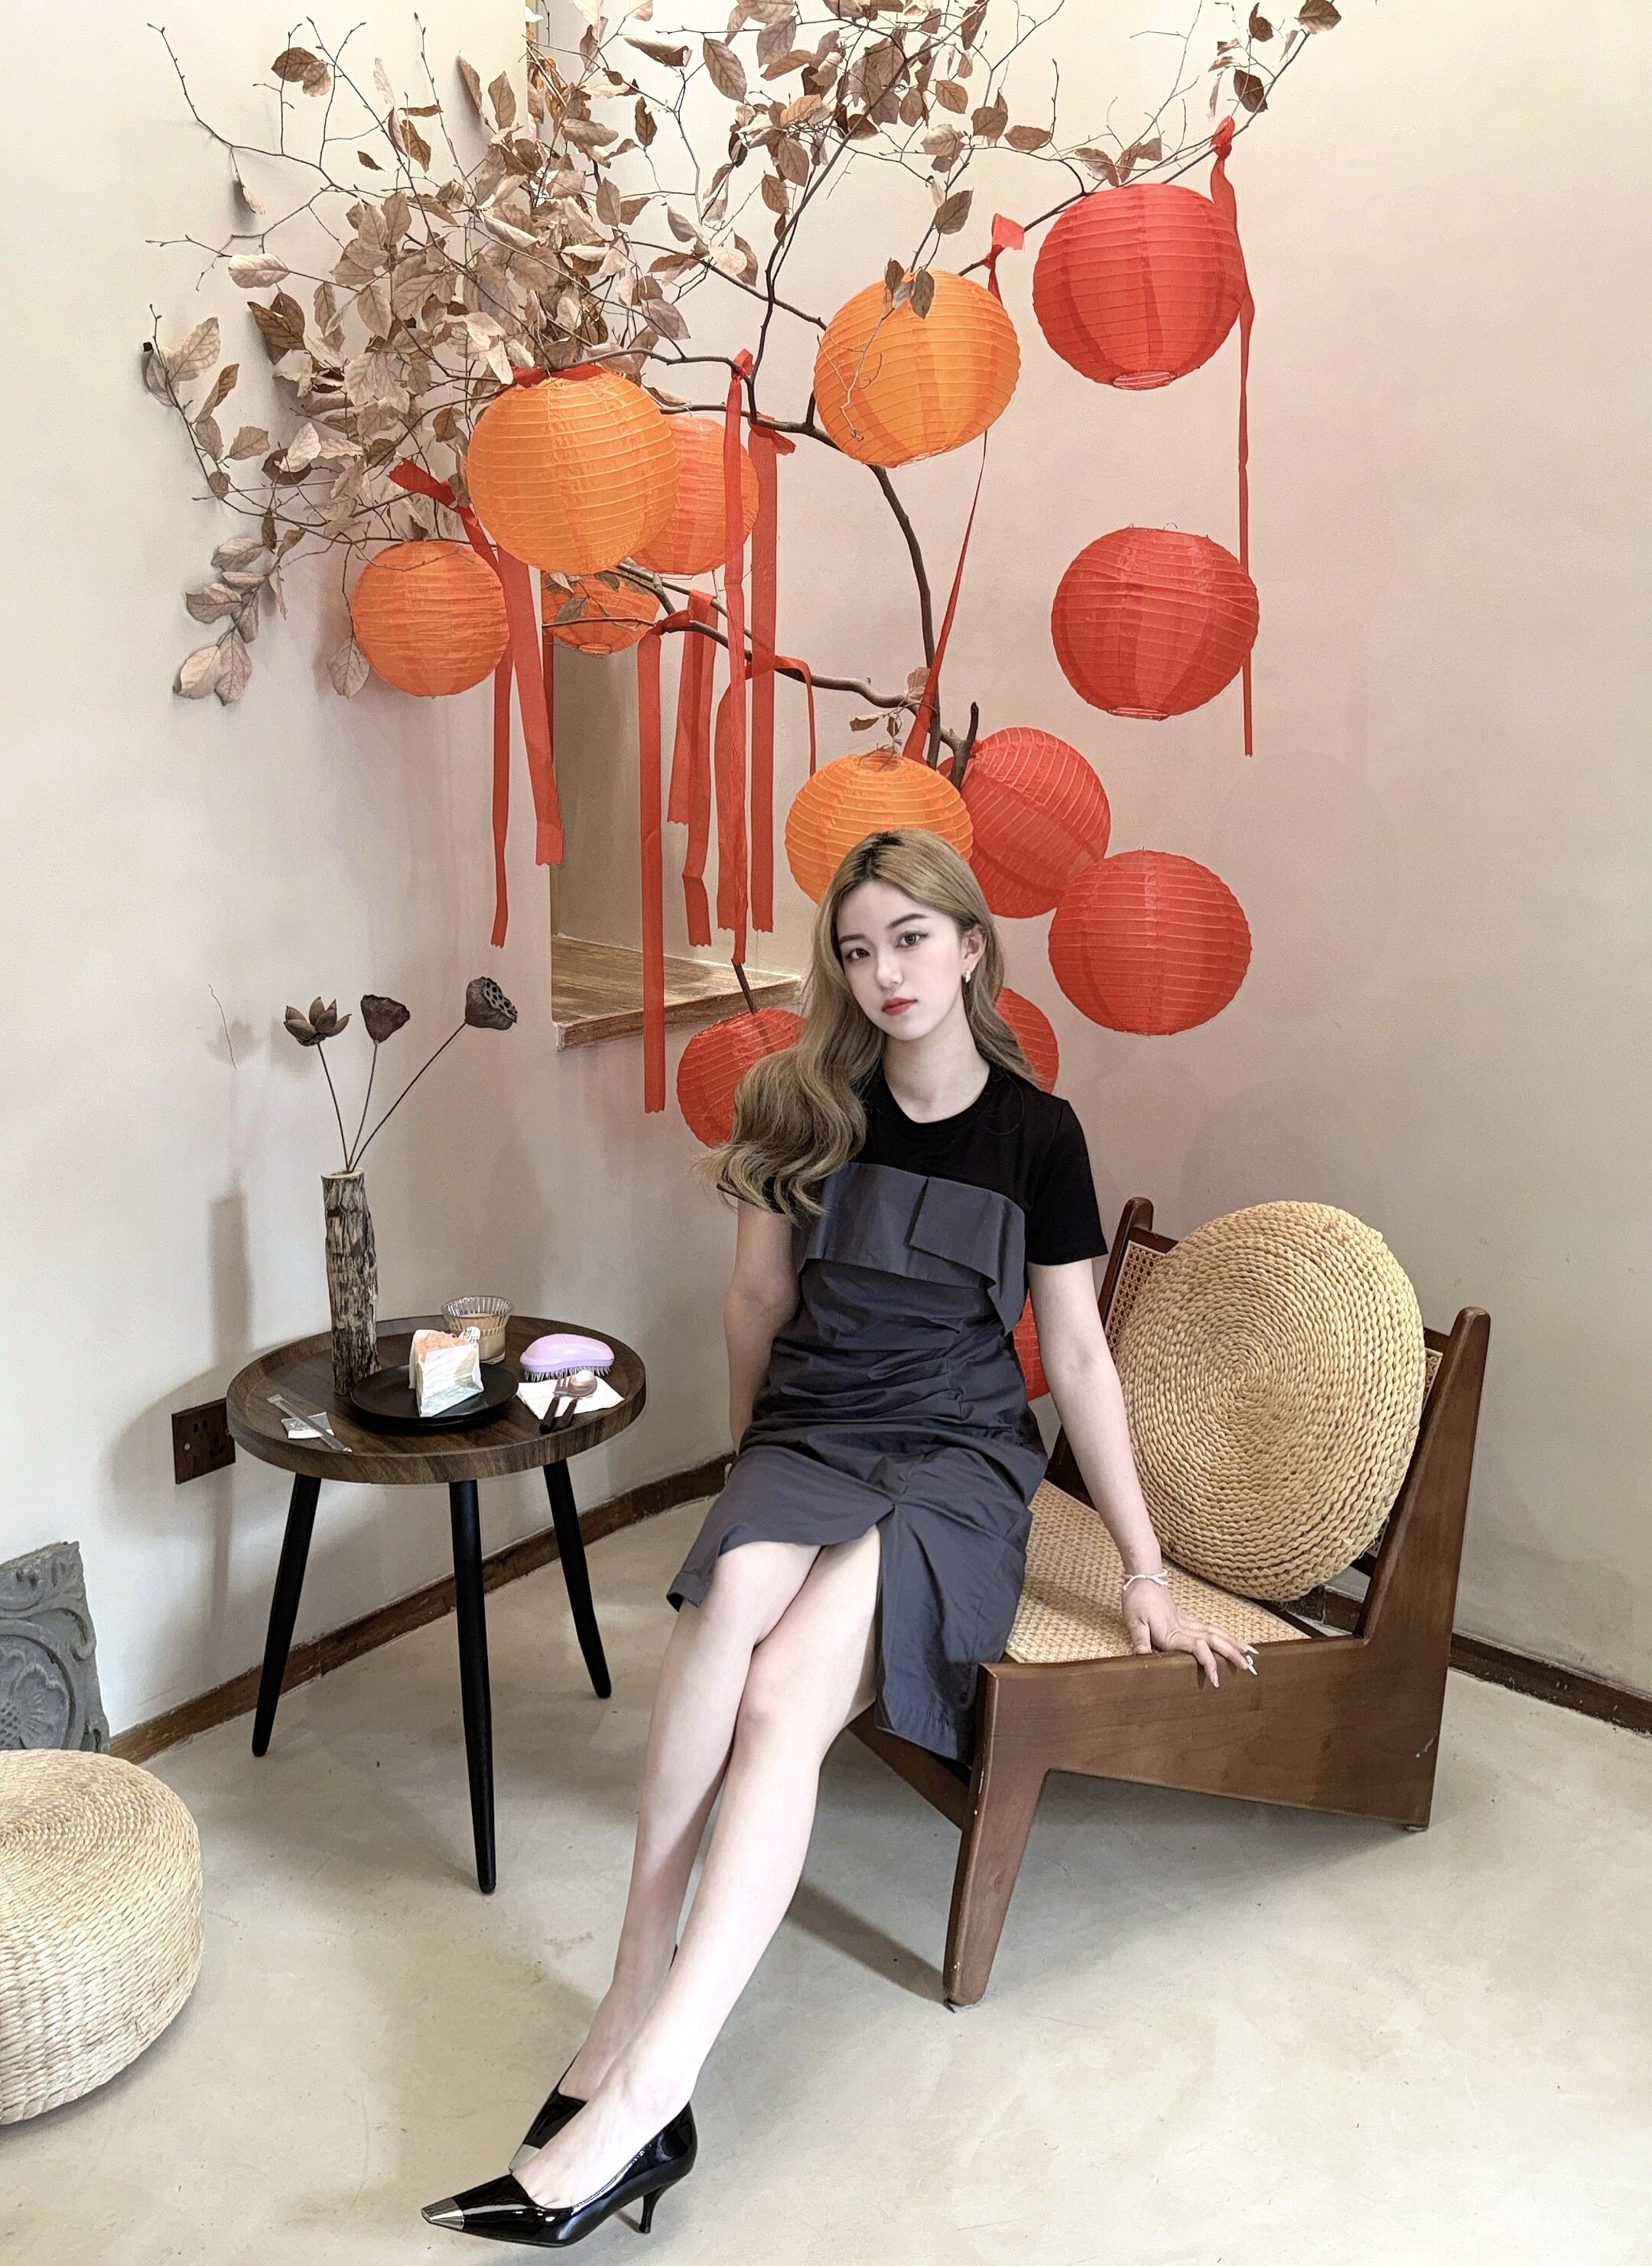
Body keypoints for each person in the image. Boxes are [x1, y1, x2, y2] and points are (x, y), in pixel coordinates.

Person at [424, 828, 1257, 2247]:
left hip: (957, 1454)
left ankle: (650, 2096)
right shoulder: (796, 1102)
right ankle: (628, 1992)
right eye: (858, 951)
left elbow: (1077, 1356)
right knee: (729, 1598)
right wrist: (751, 1470)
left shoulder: (1040, 1134)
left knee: (785, 1694)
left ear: (972, 947)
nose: (885, 974)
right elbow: (756, 1305)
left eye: (911, 940)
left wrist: (1143, 1570)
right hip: (813, 1422)